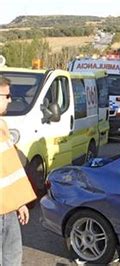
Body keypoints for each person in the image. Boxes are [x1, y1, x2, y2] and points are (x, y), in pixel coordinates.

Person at [0, 76, 37, 266]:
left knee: (13, 259)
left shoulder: (2, 127)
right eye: (6, 95)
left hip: (9, 210)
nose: (10, 100)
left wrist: (20, 203)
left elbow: (10, 171)